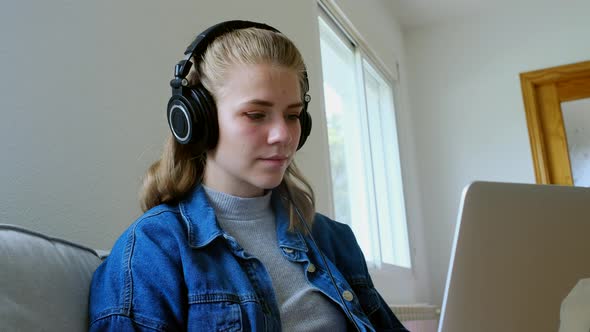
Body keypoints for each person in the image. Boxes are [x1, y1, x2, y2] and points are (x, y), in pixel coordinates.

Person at [89, 20, 409, 332]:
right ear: (197, 121)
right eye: (256, 115)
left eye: (293, 115)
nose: (283, 135)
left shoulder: (333, 240)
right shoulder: (151, 249)